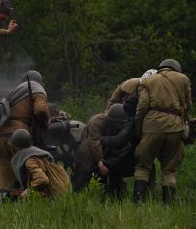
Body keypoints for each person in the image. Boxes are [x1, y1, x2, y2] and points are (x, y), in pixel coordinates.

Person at [133, 59, 192, 204]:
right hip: (175, 127)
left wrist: (138, 125)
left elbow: (143, 106)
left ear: (161, 67)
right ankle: (168, 203)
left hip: (152, 126)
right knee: (169, 169)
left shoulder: (148, 81)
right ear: (176, 69)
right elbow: (188, 104)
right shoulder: (183, 79)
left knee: (143, 165)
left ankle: (139, 202)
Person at [0, 70, 50, 189]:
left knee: (4, 178)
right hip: (19, 138)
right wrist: (45, 124)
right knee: (28, 170)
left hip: (2, 136)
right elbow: (41, 111)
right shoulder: (37, 89)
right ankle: (28, 200)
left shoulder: (15, 92)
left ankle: (2, 202)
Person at [73, 104, 135, 196]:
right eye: (117, 124)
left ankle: (117, 194)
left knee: (115, 170)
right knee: (85, 165)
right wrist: (100, 161)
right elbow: (94, 141)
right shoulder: (98, 121)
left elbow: (121, 142)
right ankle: (78, 193)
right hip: (90, 146)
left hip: (107, 146)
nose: (119, 126)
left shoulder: (122, 124)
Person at [10, 129, 71, 197]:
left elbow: (43, 180)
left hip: (50, 197)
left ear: (15, 146)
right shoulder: (39, 155)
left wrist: (29, 190)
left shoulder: (29, 161)